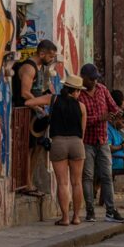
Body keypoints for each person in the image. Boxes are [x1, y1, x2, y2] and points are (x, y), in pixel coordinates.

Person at [24, 74, 87, 226]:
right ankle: (76, 217)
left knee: (63, 183)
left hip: (58, 143)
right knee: (77, 183)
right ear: (77, 91)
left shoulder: (53, 99)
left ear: (65, 87)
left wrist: (42, 110)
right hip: (77, 143)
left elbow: (28, 102)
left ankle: (65, 218)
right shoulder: (81, 107)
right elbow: (82, 132)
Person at [78, 63, 124, 223]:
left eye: (96, 79)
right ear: (83, 78)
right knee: (88, 176)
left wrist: (117, 114)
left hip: (102, 140)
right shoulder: (79, 94)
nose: (94, 82)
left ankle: (111, 210)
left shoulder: (102, 90)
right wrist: (100, 118)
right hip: (87, 141)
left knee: (106, 175)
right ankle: (90, 211)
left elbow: (113, 106)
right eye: (92, 79)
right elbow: (80, 119)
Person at [13, 39, 59, 195]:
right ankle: (26, 183)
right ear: (42, 53)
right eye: (50, 56)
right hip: (28, 114)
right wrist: (38, 107)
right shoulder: (28, 67)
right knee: (28, 148)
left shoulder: (41, 68)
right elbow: (25, 92)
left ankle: (29, 181)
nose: (52, 59)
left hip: (37, 115)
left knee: (37, 148)